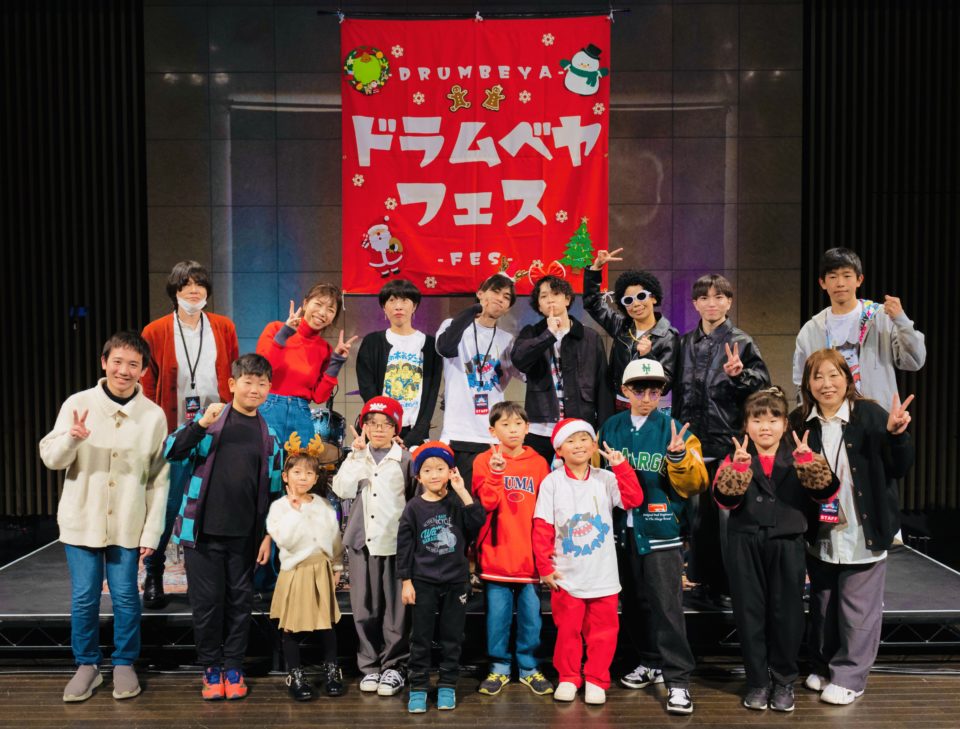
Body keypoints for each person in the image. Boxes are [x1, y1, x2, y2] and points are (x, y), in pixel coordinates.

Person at [39, 332, 169, 702]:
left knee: (126, 596)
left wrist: (152, 531)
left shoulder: (153, 415)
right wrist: (72, 438)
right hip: (82, 519)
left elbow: (159, 478)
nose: (124, 370)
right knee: (85, 596)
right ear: (104, 362)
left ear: (143, 371)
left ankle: (125, 662)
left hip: (128, 522)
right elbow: (51, 458)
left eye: (133, 364)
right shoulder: (78, 403)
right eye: (117, 362)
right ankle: (87, 665)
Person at [791, 349, 914, 705]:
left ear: (848, 378)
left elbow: (900, 468)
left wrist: (897, 436)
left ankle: (850, 677)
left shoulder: (872, 415)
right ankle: (823, 666)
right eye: (817, 376)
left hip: (863, 529)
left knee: (858, 609)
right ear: (808, 384)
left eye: (834, 375)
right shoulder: (800, 422)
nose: (826, 383)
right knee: (824, 605)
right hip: (822, 530)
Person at [713, 387, 839, 713]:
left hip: (787, 543)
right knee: (749, 614)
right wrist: (738, 469)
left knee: (788, 615)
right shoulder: (736, 455)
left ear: (785, 424)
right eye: (757, 420)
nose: (765, 427)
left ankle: (784, 681)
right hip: (745, 544)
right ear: (746, 424)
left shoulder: (800, 453)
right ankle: (757, 682)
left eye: (773, 419)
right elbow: (724, 500)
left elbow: (827, 492)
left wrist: (808, 463)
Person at [165, 353, 283, 700]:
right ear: (232, 384)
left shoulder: (270, 436)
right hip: (202, 534)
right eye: (248, 382)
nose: (255, 389)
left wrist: (267, 536)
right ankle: (210, 668)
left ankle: (233, 666)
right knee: (207, 604)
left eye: (262, 383)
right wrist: (200, 425)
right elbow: (170, 451)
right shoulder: (210, 421)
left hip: (246, 538)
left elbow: (275, 492)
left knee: (239, 604)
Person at [598, 359, 708, 715]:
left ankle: (678, 681)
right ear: (625, 391)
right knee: (634, 603)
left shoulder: (676, 430)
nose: (647, 397)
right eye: (639, 389)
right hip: (621, 533)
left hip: (661, 531)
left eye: (655, 390)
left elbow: (696, 483)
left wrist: (678, 456)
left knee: (667, 608)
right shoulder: (610, 428)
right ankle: (650, 661)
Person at [140, 260, 239, 609]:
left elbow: (234, 376)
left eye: (199, 284)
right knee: (167, 506)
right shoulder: (155, 331)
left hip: (217, 428)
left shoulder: (224, 327)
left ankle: (207, 578)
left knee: (212, 505)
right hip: (175, 430)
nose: (193, 291)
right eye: (185, 285)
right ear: (175, 292)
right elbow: (147, 386)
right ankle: (154, 572)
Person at [673, 273, 771, 603]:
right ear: (695, 304)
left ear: (729, 302)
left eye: (719, 297)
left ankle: (732, 585)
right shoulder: (685, 342)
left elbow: (763, 386)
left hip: (728, 440)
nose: (711, 303)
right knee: (698, 518)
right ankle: (702, 580)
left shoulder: (742, 341)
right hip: (693, 441)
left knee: (729, 518)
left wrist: (740, 375)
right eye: (704, 297)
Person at [532, 418, 644, 706]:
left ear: (594, 445)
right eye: (570, 441)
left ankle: (596, 678)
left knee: (603, 632)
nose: (578, 445)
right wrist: (544, 567)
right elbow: (542, 526)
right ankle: (569, 677)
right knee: (567, 631)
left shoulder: (605, 478)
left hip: (603, 574)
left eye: (584, 439)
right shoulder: (552, 482)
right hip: (567, 575)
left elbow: (633, 500)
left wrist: (622, 467)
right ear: (559, 450)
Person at [331, 396, 413, 697]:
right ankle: (369, 666)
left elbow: (414, 499)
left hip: (394, 544)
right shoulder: (356, 457)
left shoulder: (406, 460)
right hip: (361, 543)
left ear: (396, 429)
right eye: (372, 424)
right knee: (364, 609)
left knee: (395, 612)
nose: (378, 429)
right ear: (363, 426)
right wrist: (355, 458)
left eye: (386, 424)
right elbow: (341, 490)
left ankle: (394, 666)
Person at [471, 402, 553, 697]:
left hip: (530, 556)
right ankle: (499, 667)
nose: (513, 430)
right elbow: (486, 504)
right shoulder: (483, 460)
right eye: (505, 425)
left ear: (528, 428)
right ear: (492, 430)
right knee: (498, 618)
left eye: (518, 423)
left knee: (532, 618)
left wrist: (546, 555)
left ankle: (529, 667)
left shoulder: (539, 463)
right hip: (497, 553)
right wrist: (495, 473)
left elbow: (547, 511)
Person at [397, 442, 486, 713]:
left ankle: (447, 685)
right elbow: (404, 548)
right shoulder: (413, 507)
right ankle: (419, 687)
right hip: (422, 582)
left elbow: (478, 521)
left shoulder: (458, 503)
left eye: (440, 468)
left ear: (451, 471)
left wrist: (462, 490)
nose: (434, 474)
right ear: (418, 477)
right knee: (420, 637)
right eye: (427, 470)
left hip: (455, 581)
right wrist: (406, 581)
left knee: (452, 637)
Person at [793, 247, 926, 409]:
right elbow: (801, 382)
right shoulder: (811, 330)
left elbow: (915, 361)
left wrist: (902, 320)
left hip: (878, 417)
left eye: (847, 275)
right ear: (822, 283)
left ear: (859, 279)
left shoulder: (880, 317)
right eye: (833, 276)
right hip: (830, 418)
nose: (840, 283)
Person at [267, 432, 345, 701]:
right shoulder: (279, 508)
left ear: (315, 478)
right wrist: (296, 510)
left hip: (320, 570)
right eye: (297, 472)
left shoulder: (323, 505)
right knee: (291, 626)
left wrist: (336, 567)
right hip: (296, 572)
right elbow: (285, 539)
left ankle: (332, 670)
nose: (303, 477)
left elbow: (334, 538)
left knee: (326, 624)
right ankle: (295, 673)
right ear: (285, 476)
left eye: (309, 473)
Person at [512, 274, 612, 464]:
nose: (550, 299)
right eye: (544, 296)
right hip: (540, 428)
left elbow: (603, 385)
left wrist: (604, 428)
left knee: (578, 480)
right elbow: (519, 360)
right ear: (539, 306)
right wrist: (548, 334)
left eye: (556, 294)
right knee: (538, 479)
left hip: (578, 427)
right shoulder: (531, 333)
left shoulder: (590, 337)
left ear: (567, 299)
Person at [436, 273, 518, 488]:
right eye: (495, 292)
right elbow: (445, 348)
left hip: (493, 436)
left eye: (506, 297)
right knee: (456, 497)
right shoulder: (452, 325)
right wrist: (474, 310)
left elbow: (527, 374)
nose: (500, 299)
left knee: (489, 498)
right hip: (457, 432)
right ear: (480, 294)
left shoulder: (507, 340)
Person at [256, 282, 358, 445]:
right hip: (269, 407)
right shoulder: (275, 329)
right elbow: (261, 371)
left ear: (332, 319)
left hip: (301, 414)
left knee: (302, 461)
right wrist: (285, 333)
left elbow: (319, 396)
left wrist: (336, 362)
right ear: (305, 303)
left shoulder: (324, 349)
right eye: (318, 304)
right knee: (265, 459)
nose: (322, 313)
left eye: (330, 310)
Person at [583, 247, 680, 408]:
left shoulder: (668, 336)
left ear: (654, 298)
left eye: (641, 296)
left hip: (646, 407)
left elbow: (666, 384)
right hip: (614, 405)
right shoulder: (621, 326)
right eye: (628, 300)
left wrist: (648, 356)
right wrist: (596, 269)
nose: (635, 304)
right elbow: (592, 303)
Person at [356, 279, 441, 448]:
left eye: (404, 300)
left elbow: (431, 395)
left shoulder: (431, 345)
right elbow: (368, 390)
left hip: (415, 435)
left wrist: (412, 438)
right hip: (380, 432)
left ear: (414, 306)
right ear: (384, 308)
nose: (398, 306)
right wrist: (385, 431)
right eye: (392, 300)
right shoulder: (372, 342)